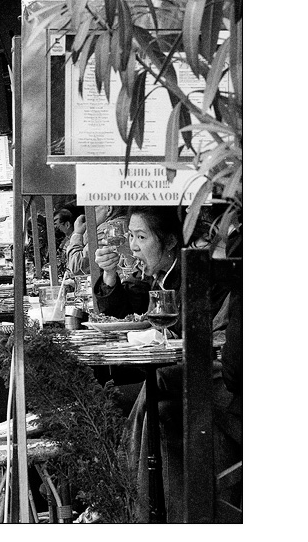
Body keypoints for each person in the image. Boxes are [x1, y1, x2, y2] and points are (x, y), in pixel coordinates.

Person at [92, 206, 231, 522]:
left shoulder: (194, 277)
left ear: (170, 242)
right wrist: (111, 276)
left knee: (123, 400)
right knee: (133, 398)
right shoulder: (160, 277)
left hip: (215, 386)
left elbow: (194, 339)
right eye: (131, 236)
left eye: (141, 236)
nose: (134, 246)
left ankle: (127, 503)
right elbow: (127, 312)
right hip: (174, 376)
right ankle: (128, 504)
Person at [67, 205, 127, 276]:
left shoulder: (108, 230)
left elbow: (77, 267)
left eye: (94, 207)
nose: (87, 214)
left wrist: (77, 234)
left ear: (109, 209)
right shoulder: (128, 223)